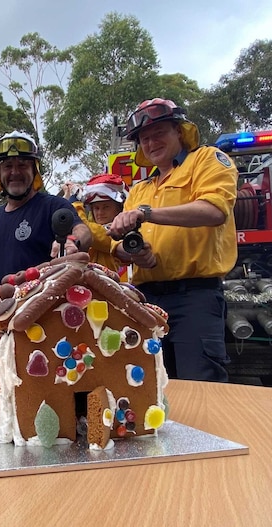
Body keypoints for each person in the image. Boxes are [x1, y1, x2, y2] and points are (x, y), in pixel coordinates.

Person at [107, 98, 238, 382]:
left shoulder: (206, 160)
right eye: (144, 139)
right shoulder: (139, 189)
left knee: (201, 386)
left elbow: (214, 211)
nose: (151, 143)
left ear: (179, 131)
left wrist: (146, 214)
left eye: (159, 134)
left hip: (195, 298)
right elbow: (123, 246)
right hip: (147, 300)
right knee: (151, 388)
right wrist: (137, 253)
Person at [0, 131, 92, 301]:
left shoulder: (54, 205)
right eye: (7, 166)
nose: (15, 172)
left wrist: (73, 241)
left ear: (34, 170)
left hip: (40, 318)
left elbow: (83, 231)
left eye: (22, 165)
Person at [75, 174, 129, 277]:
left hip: (108, 286)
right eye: (96, 208)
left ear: (119, 209)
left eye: (106, 207)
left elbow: (83, 226)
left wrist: (76, 202)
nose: (100, 212)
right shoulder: (94, 227)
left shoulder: (118, 232)